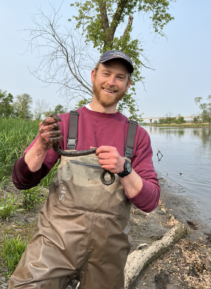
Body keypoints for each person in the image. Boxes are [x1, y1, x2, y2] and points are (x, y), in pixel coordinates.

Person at [9, 50, 160, 289]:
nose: (111, 82)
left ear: (128, 85)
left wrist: (124, 168)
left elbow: (150, 201)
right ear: (93, 75)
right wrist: (40, 145)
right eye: (106, 73)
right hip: (54, 244)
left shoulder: (137, 135)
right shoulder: (64, 123)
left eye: (120, 77)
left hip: (109, 252)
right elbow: (21, 180)